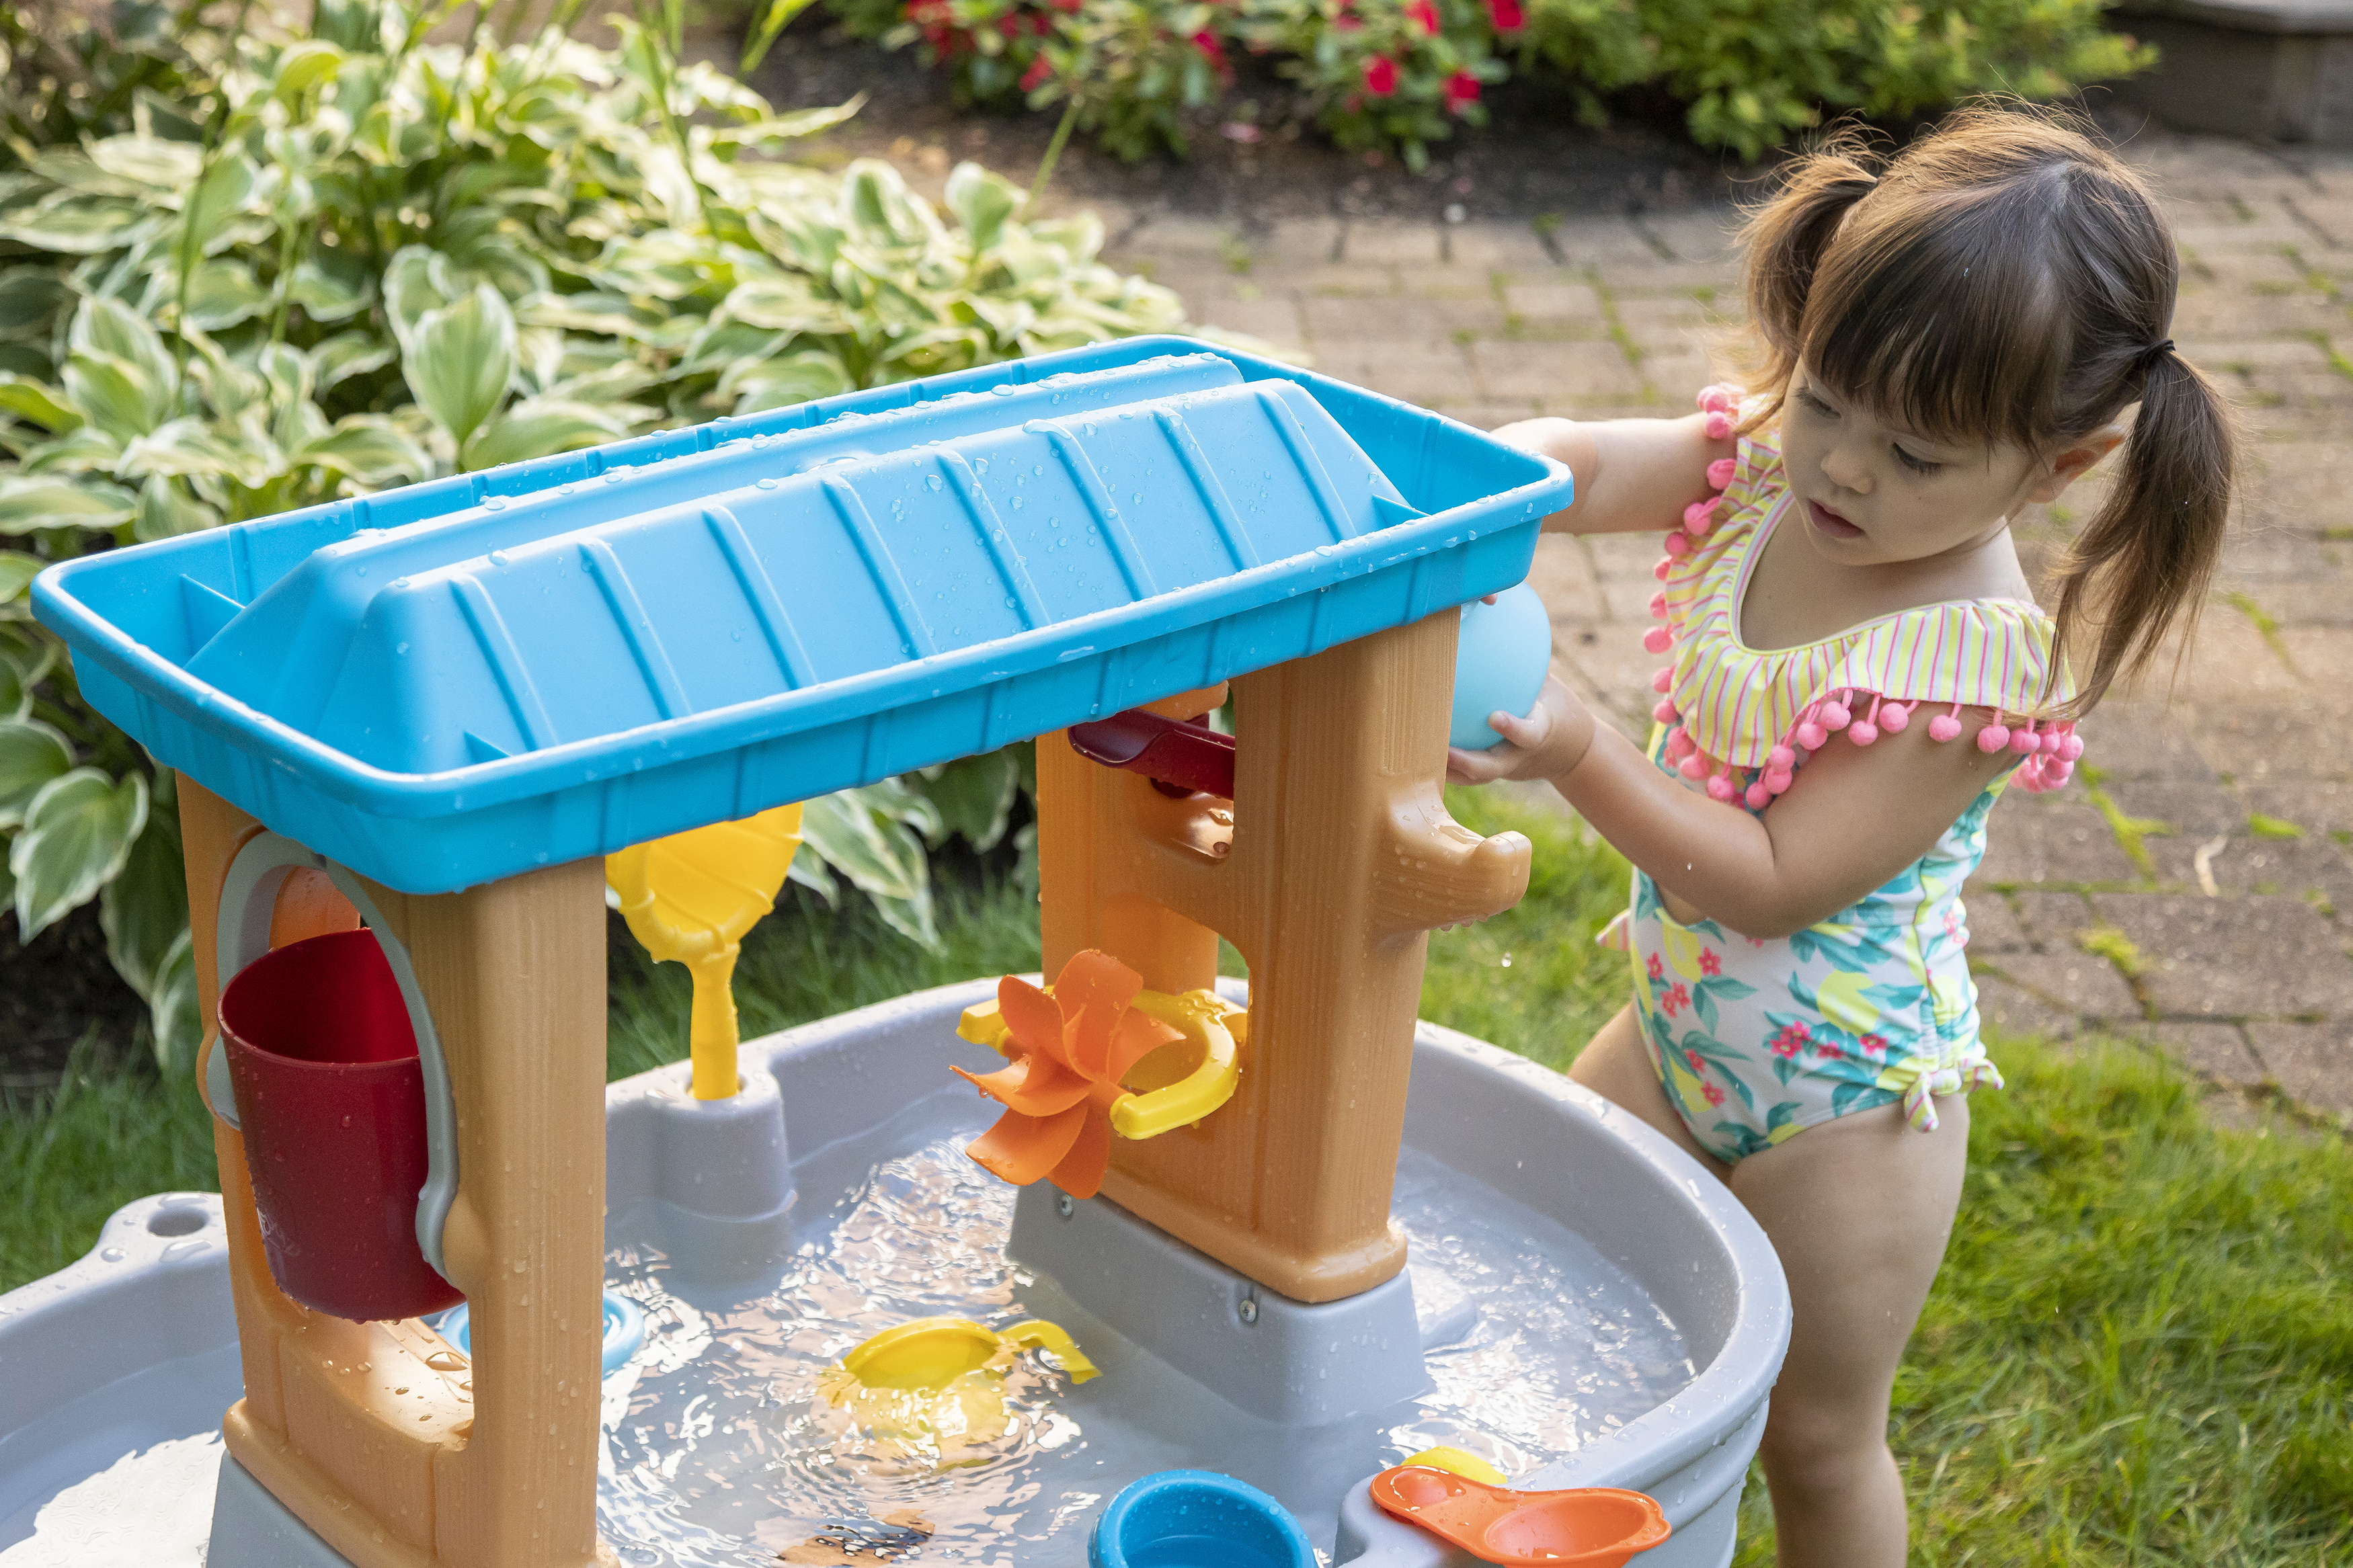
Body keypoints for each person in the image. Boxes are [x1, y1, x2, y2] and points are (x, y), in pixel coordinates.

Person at [1447, 104, 2235, 1567]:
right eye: (1823, 400)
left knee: (1814, 1439)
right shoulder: (1775, 468)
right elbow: (1588, 468)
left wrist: (1577, 747)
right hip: (1679, 1036)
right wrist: (1492, 484)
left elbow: (1770, 880)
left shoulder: (1967, 658)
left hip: (1846, 1105)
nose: (1843, 474)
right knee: (1567, 1305)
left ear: (2058, 467)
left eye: (1916, 456)